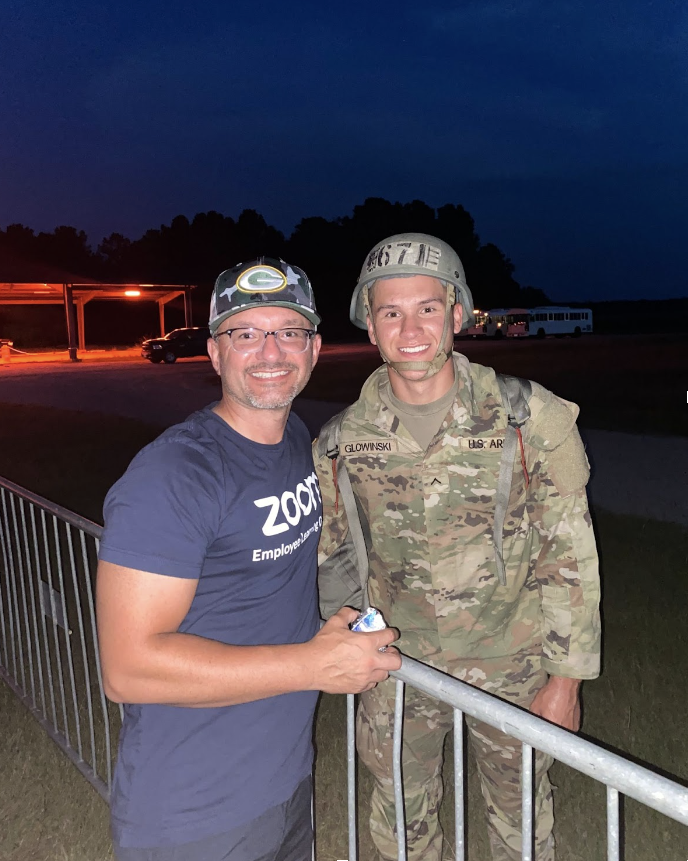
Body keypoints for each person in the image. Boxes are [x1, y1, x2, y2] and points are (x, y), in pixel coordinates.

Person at [96, 257, 401, 861]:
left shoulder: (292, 442)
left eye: (287, 332)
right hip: (193, 811)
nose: (270, 352)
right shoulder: (174, 475)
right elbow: (127, 669)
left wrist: (327, 635)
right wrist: (312, 667)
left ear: (313, 349)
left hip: (283, 786)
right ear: (214, 352)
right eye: (245, 333)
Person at [314, 234, 601, 861]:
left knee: (521, 820)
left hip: (511, 664)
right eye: (390, 311)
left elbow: (570, 556)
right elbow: (337, 556)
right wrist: (339, 648)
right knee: (401, 823)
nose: (410, 327)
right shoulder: (340, 441)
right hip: (396, 666)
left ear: (458, 315)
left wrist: (566, 680)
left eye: (426, 307)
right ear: (370, 325)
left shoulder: (528, 417)